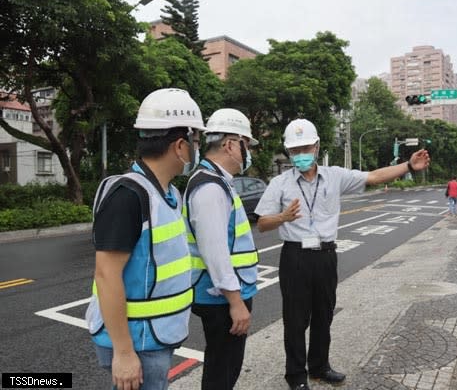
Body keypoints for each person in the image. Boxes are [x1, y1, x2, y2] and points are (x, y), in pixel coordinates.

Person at [254, 118, 430, 390]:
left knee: (324, 314)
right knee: (296, 319)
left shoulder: (335, 176)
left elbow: (373, 176)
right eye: (295, 150)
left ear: (317, 146)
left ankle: (320, 367)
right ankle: (296, 376)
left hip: (325, 255)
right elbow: (263, 223)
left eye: (305, 148)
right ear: (289, 152)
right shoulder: (279, 183)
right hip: (295, 257)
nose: (300, 155)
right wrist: (282, 216)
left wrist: (408, 166)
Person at [85, 88, 205, 390]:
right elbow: (106, 273)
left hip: (156, 334)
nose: (197, 150)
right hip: (136, 341)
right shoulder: (128, 195)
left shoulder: (168, 194)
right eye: (196, 142)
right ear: (180, 146)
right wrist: (124, 354)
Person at [183, 108, 260, 390]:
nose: (248, 152)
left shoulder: (217, 182)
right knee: (222, 370)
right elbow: (214, 251)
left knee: (224, 365)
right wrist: (236, 302)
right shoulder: (210, 188)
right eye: (246, 145)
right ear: (230, 144)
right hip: (220, 299)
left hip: (223, 295)